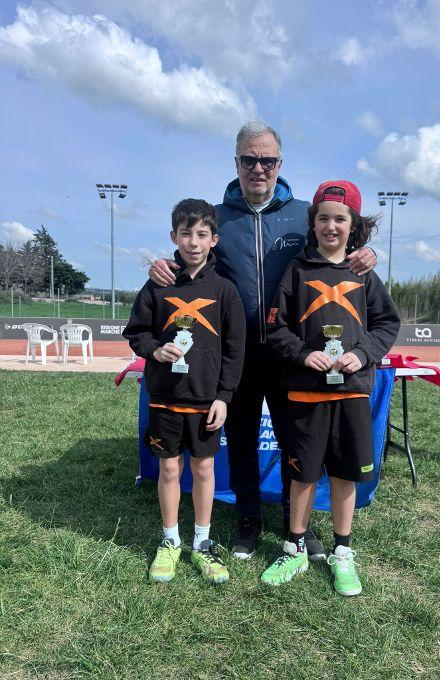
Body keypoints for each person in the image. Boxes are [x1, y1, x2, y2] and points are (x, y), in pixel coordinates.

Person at [148, 122, 377, 561]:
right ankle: (249, 518)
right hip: (237, 354)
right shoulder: (218, 217)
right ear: (236, 162)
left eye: (267, 160)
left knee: (297, 442)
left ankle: (299, 526)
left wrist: (366, 252)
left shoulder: (304, 214)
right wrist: (163, 264)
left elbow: (336, 246)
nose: (258, 168)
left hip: (294, 352)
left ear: (279, 164)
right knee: (242, 438)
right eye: (249, 159)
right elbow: (193, 254)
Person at [260, 180, 400, 595]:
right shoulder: (297, 270)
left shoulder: (363, 273)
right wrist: (304, 354)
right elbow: (276, 326)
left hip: (351, 392)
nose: (331, 226)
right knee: (302, 474)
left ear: (353, 225)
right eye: (323, 218)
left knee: (344, 474)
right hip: (305, 393)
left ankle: (342, 551)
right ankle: (295, 548)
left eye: (340, 219)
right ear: (314, 222)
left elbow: (386, 323)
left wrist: (363, 354)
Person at [123, 198, 246, 584]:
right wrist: (154, 350)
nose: (194, 242)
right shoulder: (157, 284)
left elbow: (235, 350)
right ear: (173, 236)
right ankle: (170, 540)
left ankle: (203, 542)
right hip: (164, 396)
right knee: (169, 467)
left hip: (205, 399)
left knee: (204, 467)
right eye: (186, 233)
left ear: (214, 240)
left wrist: (224, 396)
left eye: (202, 234)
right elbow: (136, 332)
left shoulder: (225, 290)